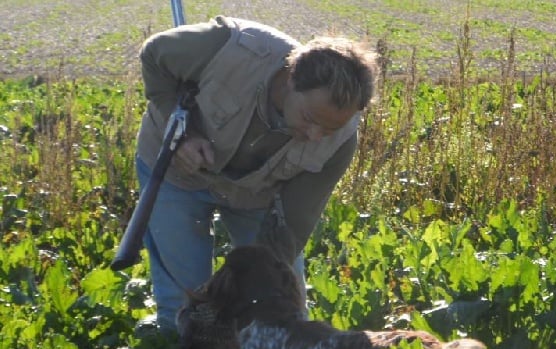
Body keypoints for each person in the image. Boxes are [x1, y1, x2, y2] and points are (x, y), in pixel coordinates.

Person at [135, 15, 378, 331]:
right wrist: (182, 132)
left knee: (284, 306)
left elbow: (292, 225)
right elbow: (154, 54)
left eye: (329, 129)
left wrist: (250, 287)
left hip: (254, 196)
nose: (315, 135)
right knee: (182, 303)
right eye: (309, 118)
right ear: (290, 80)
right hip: (176, 175)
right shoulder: (227, 47)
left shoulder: (341, 142)